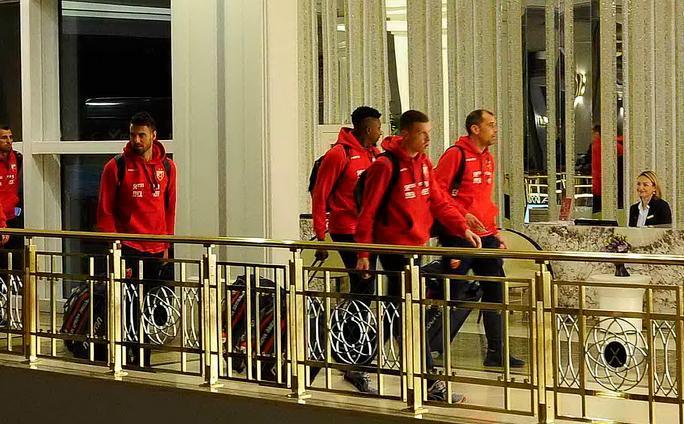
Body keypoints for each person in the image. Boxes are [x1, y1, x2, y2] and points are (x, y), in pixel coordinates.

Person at [355, 110, 481, 403]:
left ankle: (359, 362)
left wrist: (462, 226)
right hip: (394, 252)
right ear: (406, 133)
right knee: (408, 317)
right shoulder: (385, 166)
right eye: (422, 133)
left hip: (416, 250)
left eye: (428, 132)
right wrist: (363, 253)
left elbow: (439, 201)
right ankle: (428, 383)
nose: (427, 138)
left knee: (399, 315)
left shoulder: (423, 163)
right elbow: (368, 212)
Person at [433, 109, 524, 368]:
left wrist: (494, 231)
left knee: (495, 291)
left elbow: (484, 199)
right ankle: (431, 345)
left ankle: (497, 351)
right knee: (453, 293)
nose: (495, 130)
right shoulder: (456, 155)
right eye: (491, 125)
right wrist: (462, 216)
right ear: (475, 128)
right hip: (458, 235)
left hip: (485, 236)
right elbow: (438, 193)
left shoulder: (488, 159)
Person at [310, 106, 382, 393]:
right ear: (367, 128)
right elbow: (320, 195)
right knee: (364, 287)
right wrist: (321, 235)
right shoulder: (338, 155)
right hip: (346, 230)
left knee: (365, 289)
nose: (380, 132)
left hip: (369, 231)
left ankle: (349, 345)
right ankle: (350, 351)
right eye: (378, 127)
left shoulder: (374, 154)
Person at [96, 111, 177, 366]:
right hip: (129, 247)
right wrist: (115, 246)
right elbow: (105, 211)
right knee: (129, 304)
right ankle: (133, 357)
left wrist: (167, 244)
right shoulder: (116, 166)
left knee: (152, 305)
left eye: (142, 135)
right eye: (133, 135)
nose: (137, 140)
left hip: (156, 248)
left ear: (154, 136)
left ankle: (144, 355)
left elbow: (169, 209)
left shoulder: (168, 167)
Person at [0, 125, 23, 275]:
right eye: (4, 138)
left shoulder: (17, 157)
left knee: (16, 261)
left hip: (12, 217)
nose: (9, 141)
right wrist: (2, 225)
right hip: (1, 220)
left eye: (10, 137)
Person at [591, 124, 624, 213]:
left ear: (597, 133)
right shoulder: (616, 145)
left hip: (600, 185)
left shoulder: (597, 145)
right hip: (612, 185)